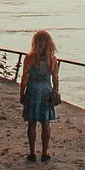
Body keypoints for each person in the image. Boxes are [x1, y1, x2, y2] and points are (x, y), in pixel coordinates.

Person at [19, 29, 60, 162]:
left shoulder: (29, 58)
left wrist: (22, 93)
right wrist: (55, 91)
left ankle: (32, 153)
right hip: (46, 91)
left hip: (32, 91)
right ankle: (45, 153)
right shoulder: (52, 59)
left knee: (32, 123)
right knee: (45, 123)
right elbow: (55, 78)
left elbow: (24, 78)